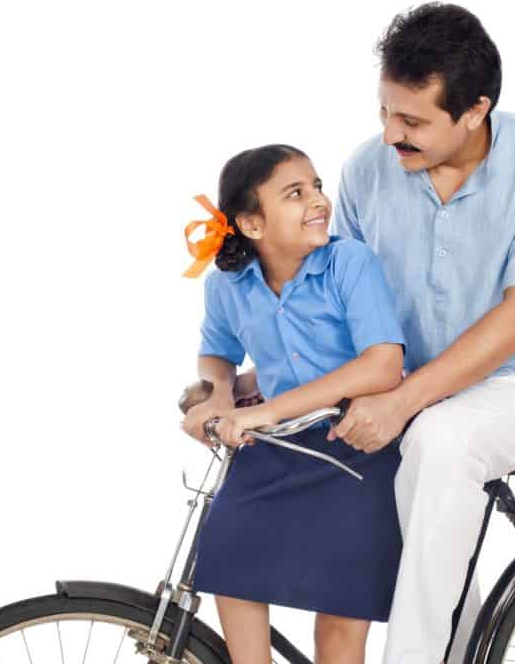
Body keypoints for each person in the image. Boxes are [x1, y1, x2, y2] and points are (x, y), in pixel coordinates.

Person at [226, 3, 515, 664]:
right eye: (385, 113)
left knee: (438, 439)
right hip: (399, 379)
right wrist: (249, 382)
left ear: (475, 111)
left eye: (414, 121)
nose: (391, 133)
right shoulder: (368, 170)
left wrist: (400, 402)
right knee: (315, 461)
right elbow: (340, 311)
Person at [179, 144, 406, 664]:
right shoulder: (227, 285)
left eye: (317, 186)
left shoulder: (348, 262)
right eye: (296, 193)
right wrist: (217, 396)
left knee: (340, 618)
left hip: (356, 442)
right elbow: (216, 355)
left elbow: (382, 366)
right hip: (276, 446)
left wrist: (264, 410)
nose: (319, 201)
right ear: (253, 224)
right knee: (227, 552)